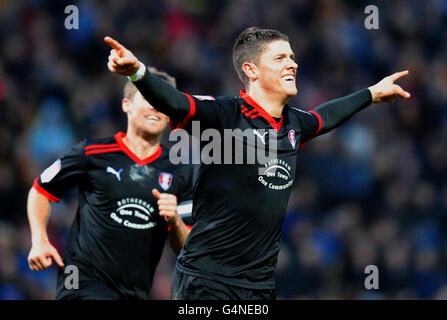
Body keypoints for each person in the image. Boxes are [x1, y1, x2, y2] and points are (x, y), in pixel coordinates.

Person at [104, 26, 411, 300]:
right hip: (208, 281)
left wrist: (372, 93)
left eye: (291, 57)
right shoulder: (225, 115)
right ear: (251, 70)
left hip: (259, 286)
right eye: (279, 58)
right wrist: (138, 73)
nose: (293, 63)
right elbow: (175, 101)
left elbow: (326, 116)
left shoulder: (294, 124)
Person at [27, 69, 195, 300]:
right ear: (127, 105)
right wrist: (40, 240)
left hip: (134, 292)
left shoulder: (180, 172)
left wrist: (175, 220)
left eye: (163, 101)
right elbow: (41, 190)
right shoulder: (92, 153)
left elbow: (185, 247)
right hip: (80, 284)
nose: (156, 106)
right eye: (148, 98)